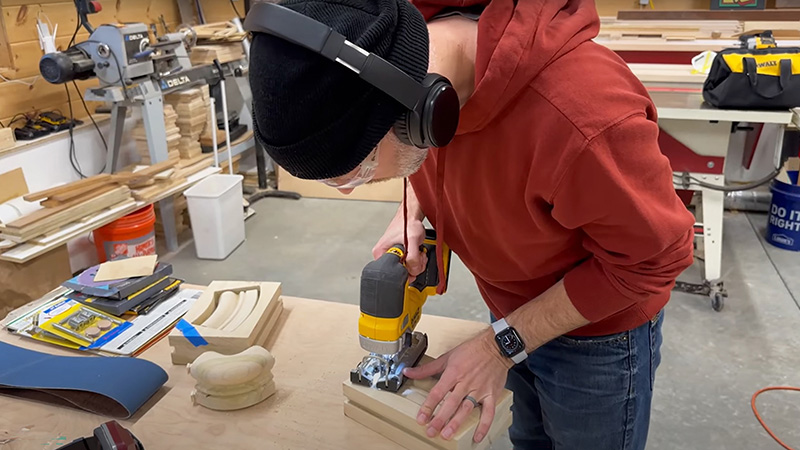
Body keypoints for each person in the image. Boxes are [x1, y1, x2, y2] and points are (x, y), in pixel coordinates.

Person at [248, 0, 695, 448]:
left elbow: (654, 260)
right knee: (529, 438)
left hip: (597, 338)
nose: (352, 188)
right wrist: (411, 211)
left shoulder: (583, 117)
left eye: (361, 170)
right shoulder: (412, 65)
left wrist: (498, 347)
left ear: (417, 112)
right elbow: (423, 160)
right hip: (505, 310)